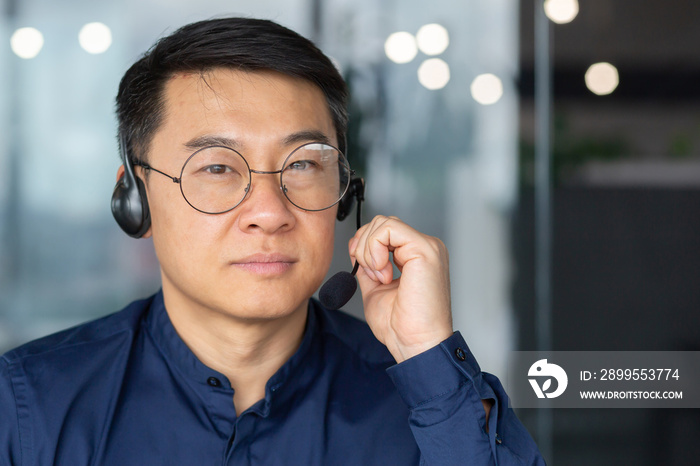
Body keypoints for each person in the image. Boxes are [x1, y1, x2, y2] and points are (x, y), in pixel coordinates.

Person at [0, 17, 544, 465]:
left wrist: (427, 355)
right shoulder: (27, 408)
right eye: (215, 167)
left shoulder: (429, 400)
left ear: (346, 195)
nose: (268, 213)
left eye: (304, 163)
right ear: (135, 199)